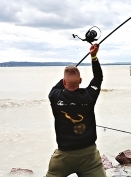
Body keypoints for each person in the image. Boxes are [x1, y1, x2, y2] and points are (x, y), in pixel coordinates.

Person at [46, 43, 106, 177]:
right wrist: (94, 57)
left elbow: (58, 86)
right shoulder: (89, 95)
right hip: (89, 157)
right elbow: (98, 77)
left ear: (64, 82)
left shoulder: (54, 96)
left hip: (63, 157)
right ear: (80, 80)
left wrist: (66, 77)